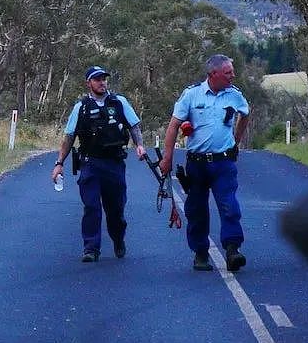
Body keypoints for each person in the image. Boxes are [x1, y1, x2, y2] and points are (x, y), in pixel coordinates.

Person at [159, 54, 250, 272]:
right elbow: (173, 126)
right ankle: (200, 252)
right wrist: (167, 158)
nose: (232, 76)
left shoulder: (234, 95)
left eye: (232, 71)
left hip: (223, 163)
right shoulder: (191, 95)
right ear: (213, 74)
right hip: (197, 165)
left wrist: (235, 141)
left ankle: (232, 249)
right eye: (228, 72)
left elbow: (245, 114)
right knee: (196, 209)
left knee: (229, 206)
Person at [51, 66, 146, 262]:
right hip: (91, 163)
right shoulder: (81, 107)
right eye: (97, 79)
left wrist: (140, 146)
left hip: (114, 164)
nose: (102, 82)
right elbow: (69, 137)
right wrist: (59, 163)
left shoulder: (119, 102)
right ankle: (91, 248)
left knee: (116, 210)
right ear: (89, 83)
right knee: (91, 206)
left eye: (103, 79)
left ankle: (118, 238)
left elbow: (134, 126)